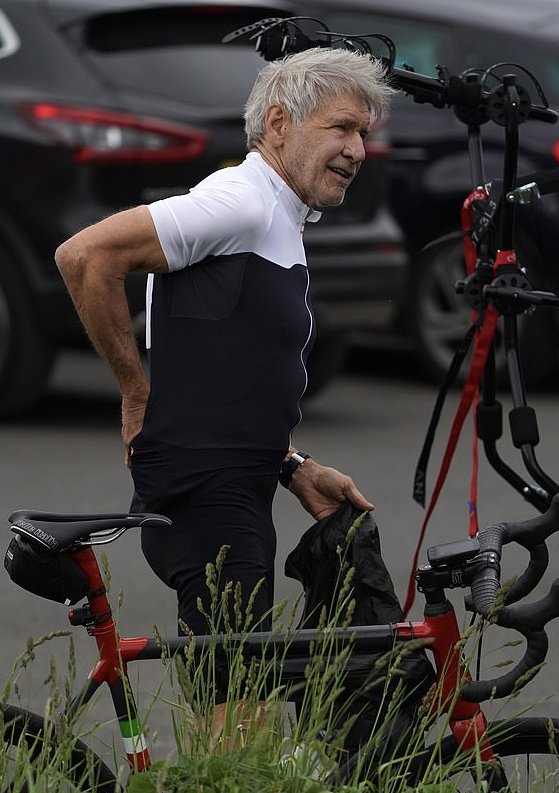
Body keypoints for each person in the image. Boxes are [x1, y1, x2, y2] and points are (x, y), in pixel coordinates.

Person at [54, 46, 396, 739]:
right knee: (239, 732)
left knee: (242, 709)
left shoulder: (271, 214)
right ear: (278, 123)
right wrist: (133, 392)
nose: (358, 149)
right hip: (207, 501)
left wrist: (293, 468)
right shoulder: (238, 202)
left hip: (231, 486)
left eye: (364, 134)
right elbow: (86, 256)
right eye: (341, 129)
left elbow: (224, 369)